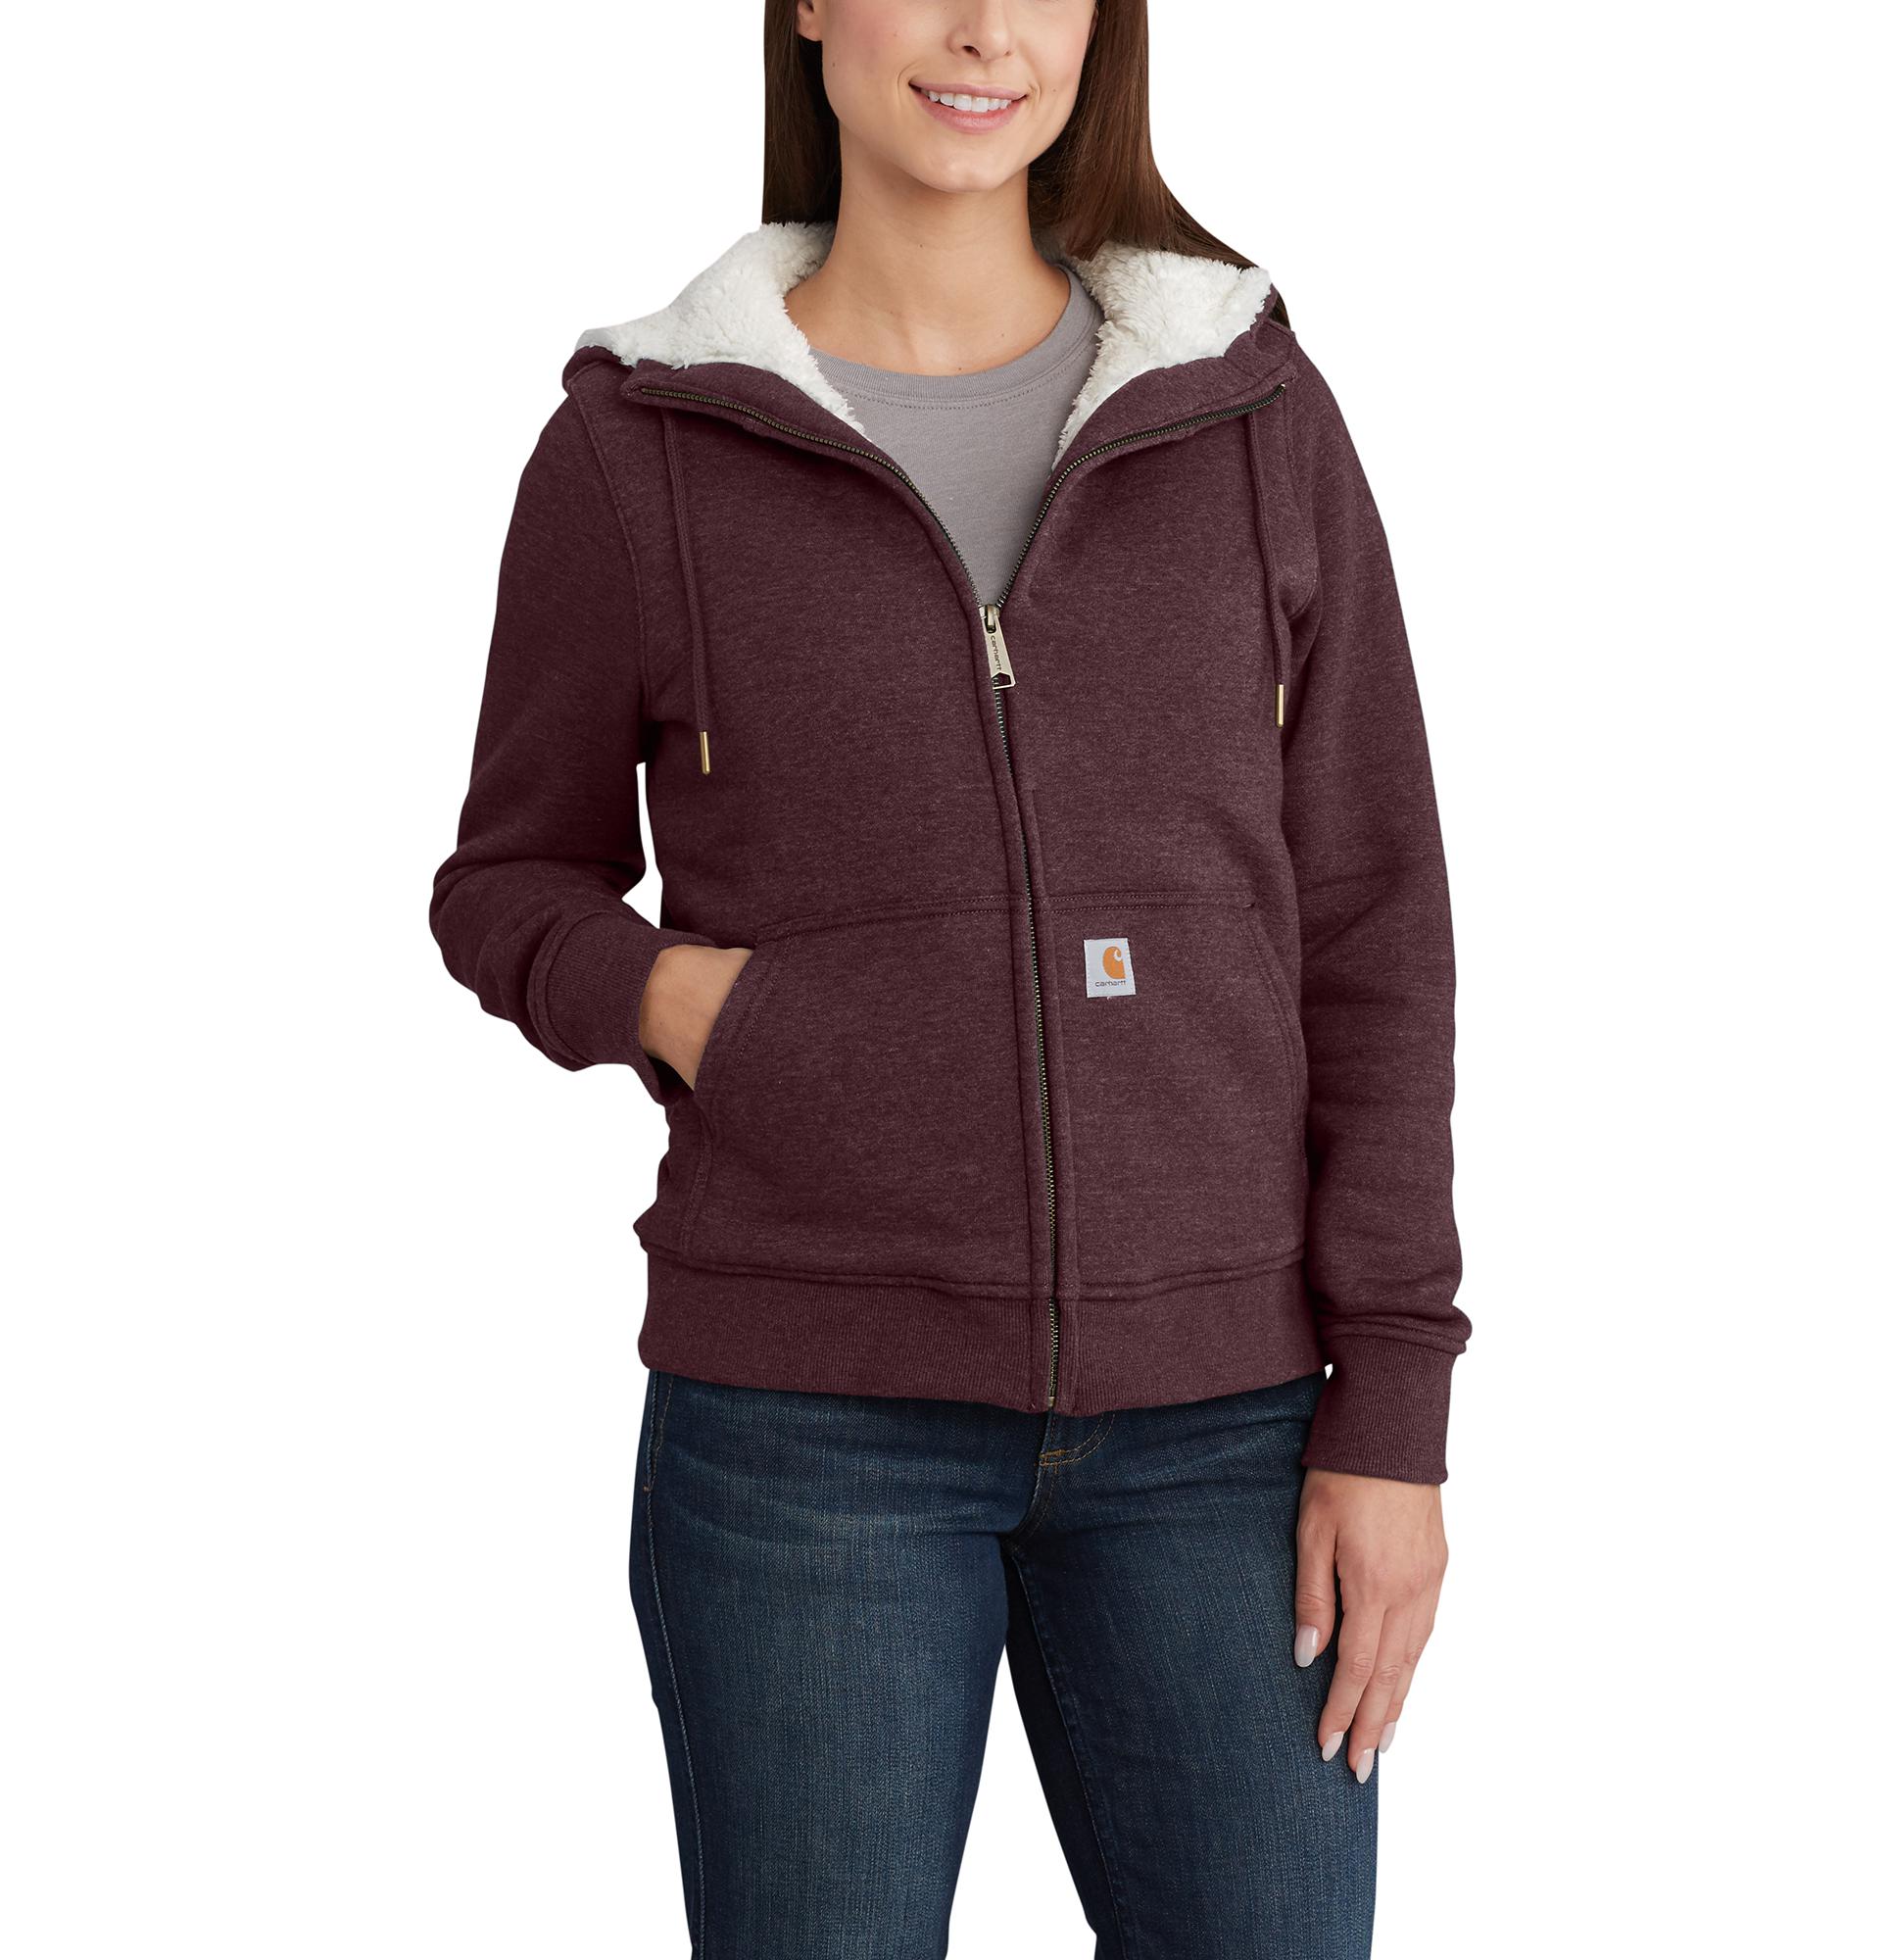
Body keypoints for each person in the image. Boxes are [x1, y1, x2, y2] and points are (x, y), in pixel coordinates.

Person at [429, 2, 1469, 1952]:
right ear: (809, 4)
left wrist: (1391, 1403)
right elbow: (506, 885)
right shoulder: (643, 444)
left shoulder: (1243, 404)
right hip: (804, 1427)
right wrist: (680, 1005)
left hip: (1227, 1423)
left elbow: (1370, 921)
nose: (987, 29)